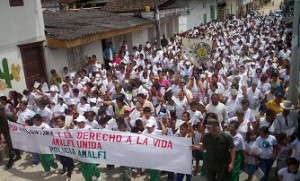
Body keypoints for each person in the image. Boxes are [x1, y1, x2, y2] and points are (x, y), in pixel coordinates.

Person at [74, 115, 101, 181]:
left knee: (91, 166)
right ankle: (88, 179)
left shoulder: (89, 128)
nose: (78, 123)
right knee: (83, 168)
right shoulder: (75, 128)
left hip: (89, 151)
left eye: (80, 122)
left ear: (83, 122)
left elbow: (94, 138)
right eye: (77, 122)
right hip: (80, 151)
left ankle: (97, 175)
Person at [55, 116, 75, 181]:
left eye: (59, 121)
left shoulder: (67, 127)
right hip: (61, 148)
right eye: (57, 122)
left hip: (68, 148)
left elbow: (74, 133)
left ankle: (69, 174)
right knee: (62, 161)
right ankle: (65, 168)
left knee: (68, 161)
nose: (58, 123)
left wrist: (71, 128)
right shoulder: (56, 129)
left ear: (63, 121)